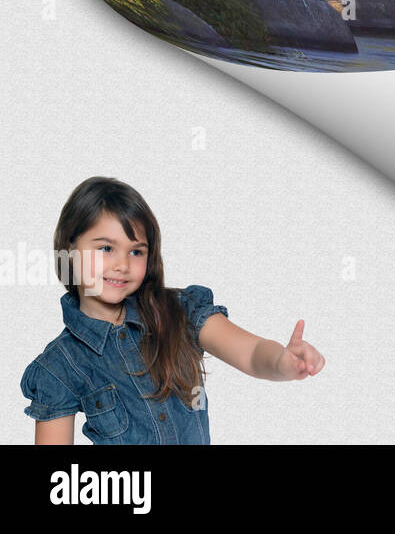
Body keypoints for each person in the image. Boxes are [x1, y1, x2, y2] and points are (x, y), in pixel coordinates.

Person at [21, 176, 324, 444]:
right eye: (106, 248)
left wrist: (282, 363)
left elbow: (252, 352)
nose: (122, 265)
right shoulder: (59, 365)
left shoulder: (180, 311)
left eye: (136, 251)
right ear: (70, 250)